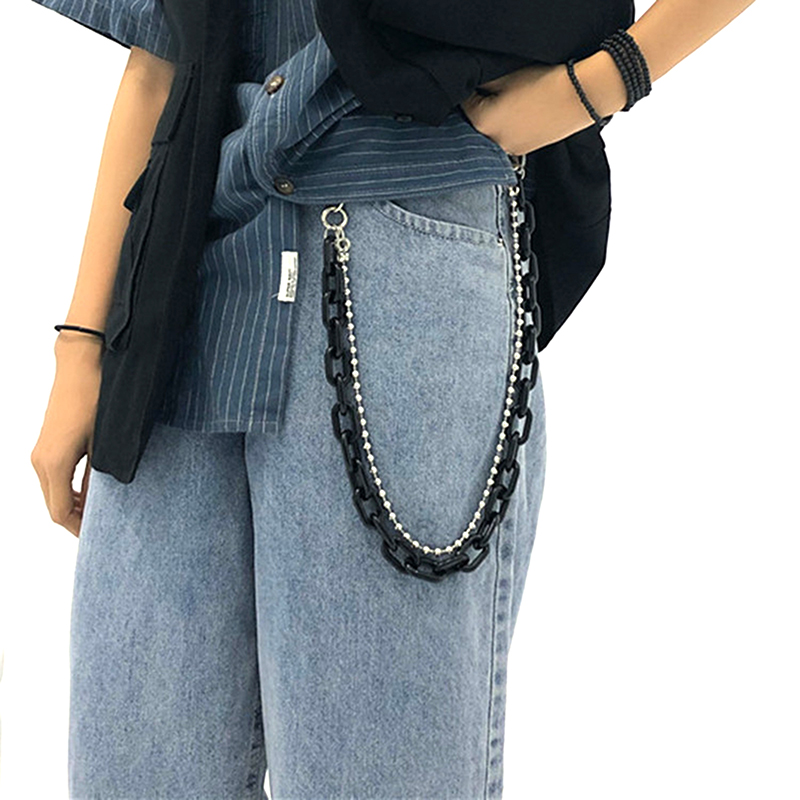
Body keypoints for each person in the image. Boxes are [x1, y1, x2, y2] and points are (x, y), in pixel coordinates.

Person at [28, 0, 756, 797]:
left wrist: (603, 83)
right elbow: (160, 51)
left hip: (399, 238)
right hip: (179, 271)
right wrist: (81, 342)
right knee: (131, 771)